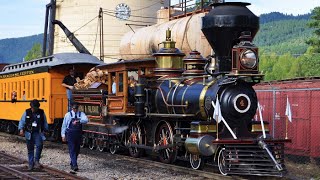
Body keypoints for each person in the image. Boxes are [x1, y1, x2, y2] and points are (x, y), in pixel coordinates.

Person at [18, 99, 49, 170]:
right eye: (34, 108)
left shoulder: (41, 112)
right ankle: (31, 164)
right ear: (31, 107)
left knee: (39, 145)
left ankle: (36, 160)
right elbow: (22, 121)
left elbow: (45, 121)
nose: (34, 109)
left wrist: (46, 129)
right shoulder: (27, 112)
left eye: (36, 108)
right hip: (29, 133)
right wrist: (21, 129)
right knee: (30, 149)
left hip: (37, 132)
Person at [61, 102, 88, 172]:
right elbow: (64, 125)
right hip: (70, 133)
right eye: (74, 108)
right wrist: (63, 135)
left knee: (77, 149)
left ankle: (72, 162)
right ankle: (75, 165)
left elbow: (86, 120)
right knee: (72, 149)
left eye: (76, 108)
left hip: (78, 134)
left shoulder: (81, 114)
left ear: (77, 108)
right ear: (71, 108)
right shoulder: (68, 115)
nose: (75, 110)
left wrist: (79, 121)